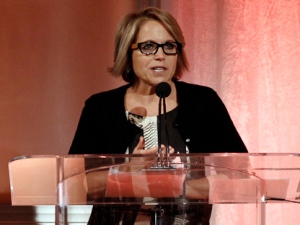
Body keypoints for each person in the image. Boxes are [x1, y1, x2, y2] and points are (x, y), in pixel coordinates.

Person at [69, 7, 248, 225]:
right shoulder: (100, 108)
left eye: (169, 46)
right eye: (149, 47)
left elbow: (240, 177)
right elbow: (75, 184)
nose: (160, 55)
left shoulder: (202, 102)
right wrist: (124, 172)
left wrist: (180, 186)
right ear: (128, 52)